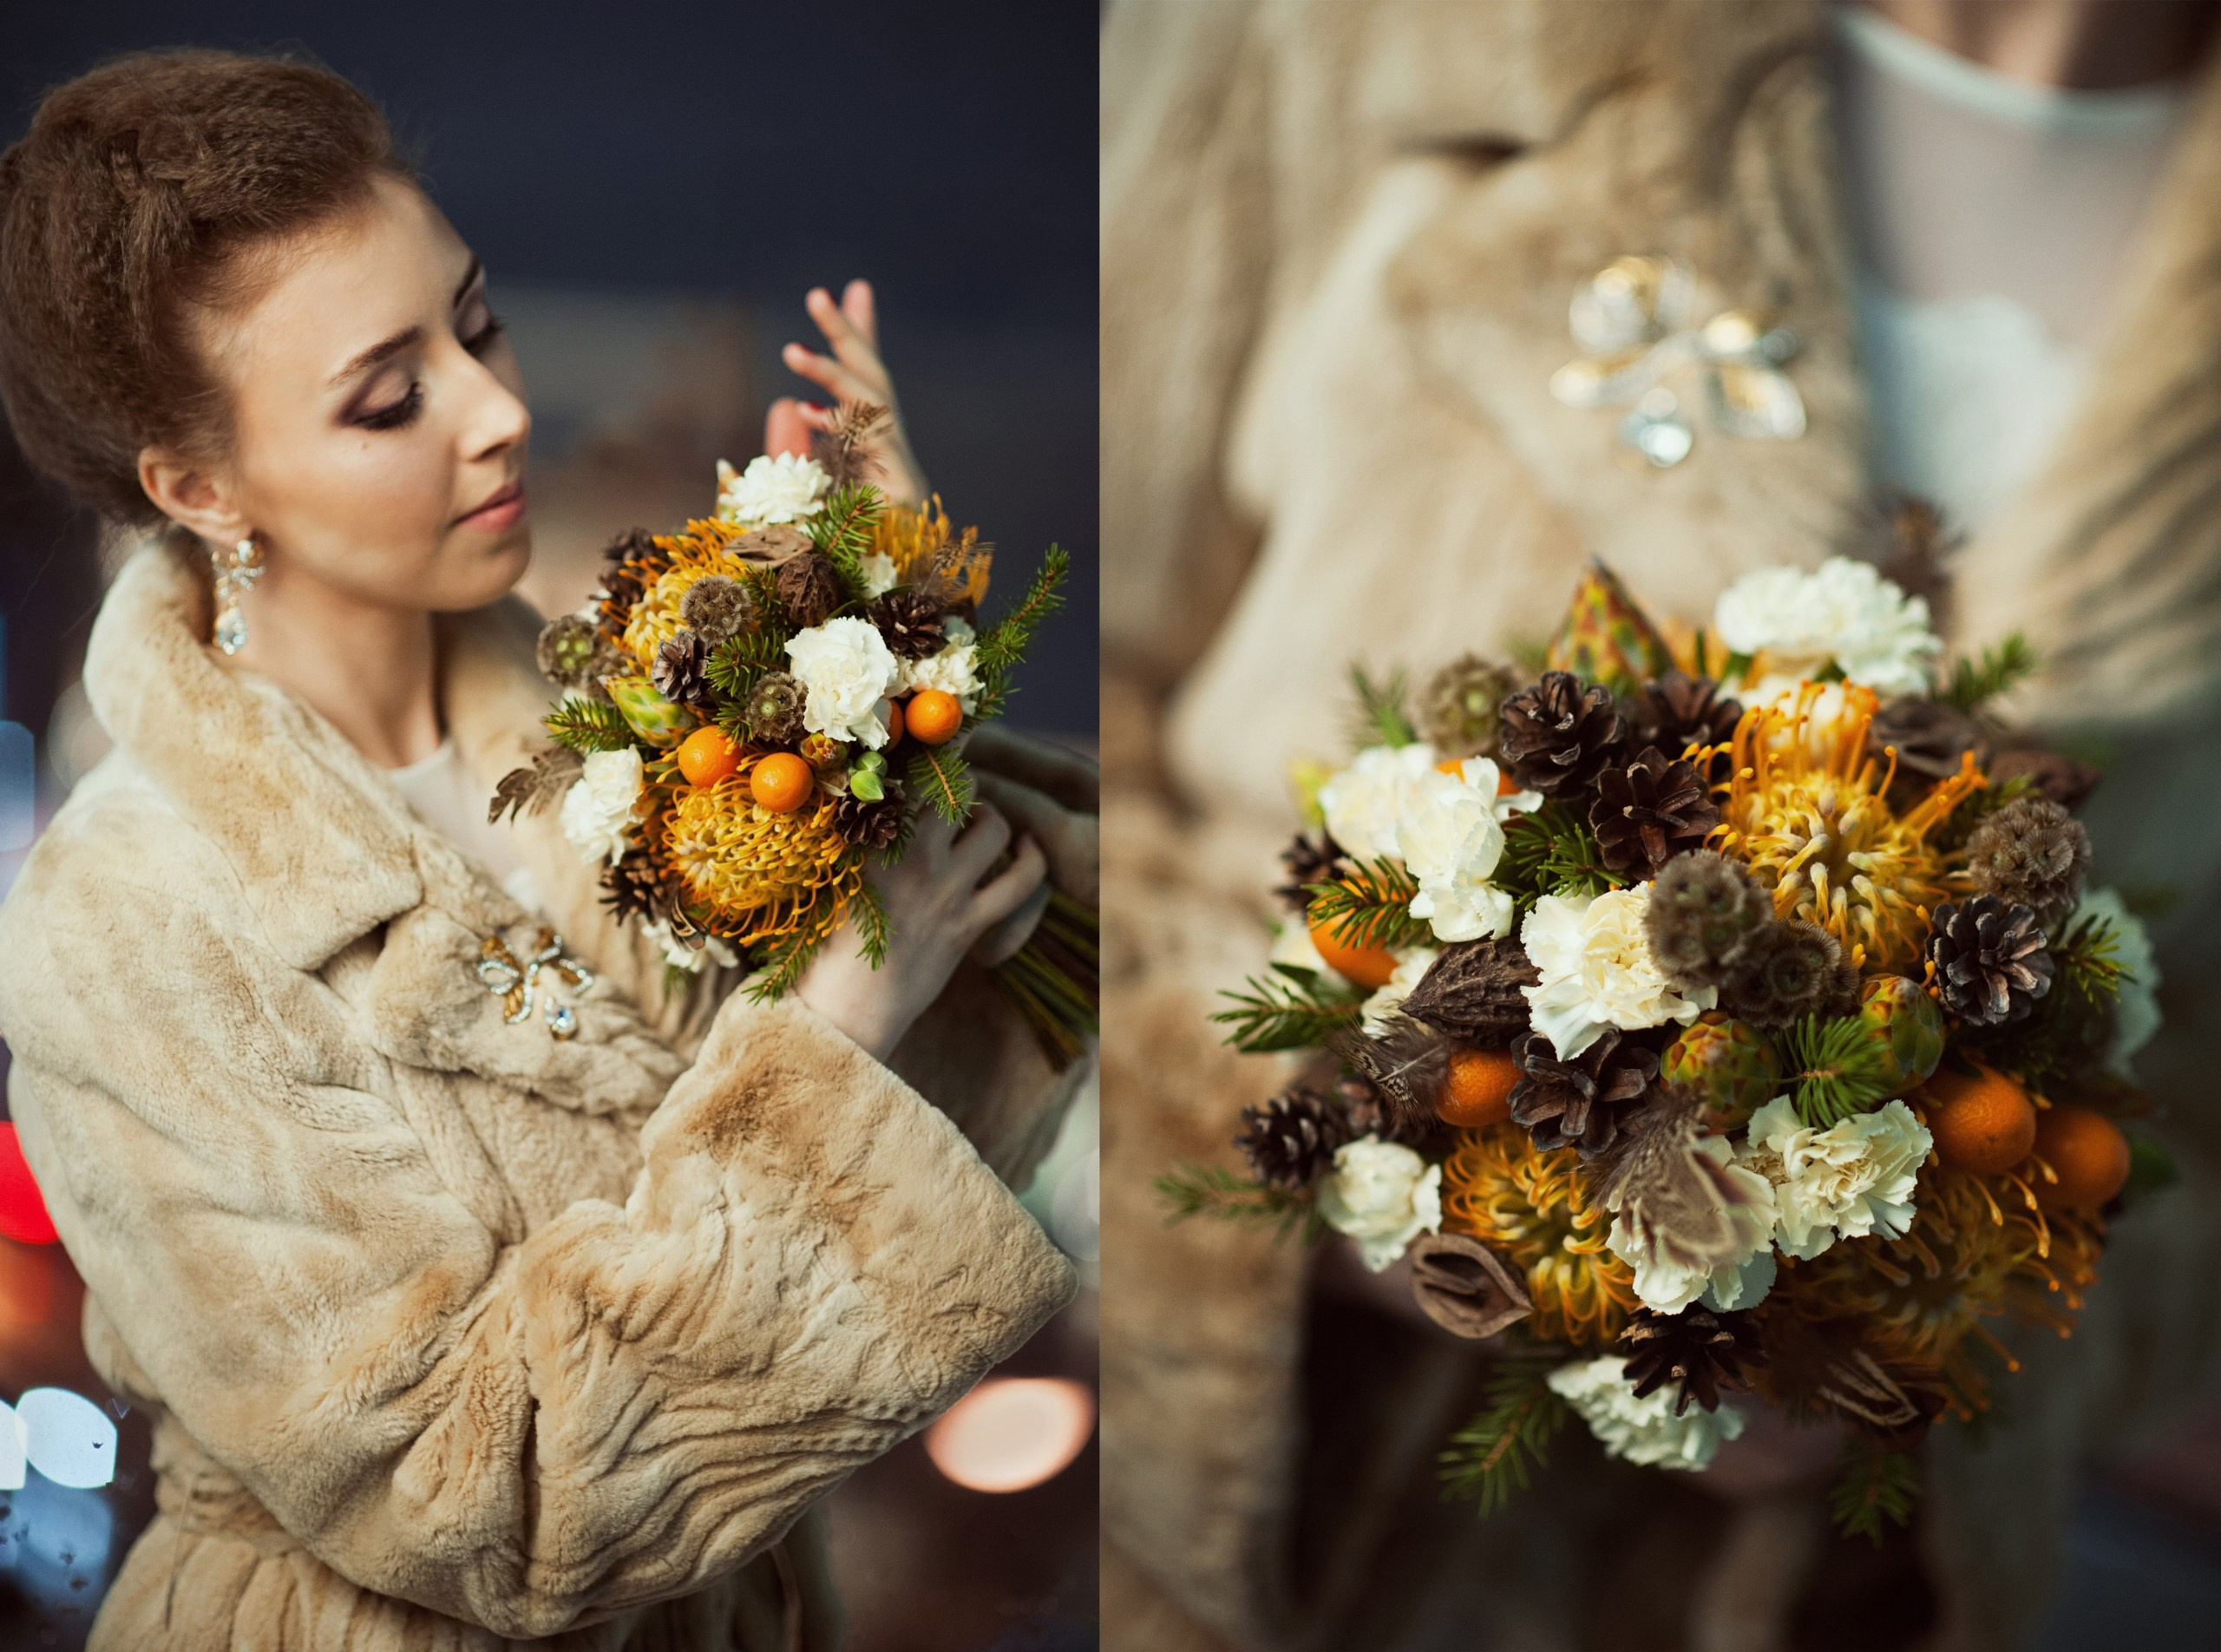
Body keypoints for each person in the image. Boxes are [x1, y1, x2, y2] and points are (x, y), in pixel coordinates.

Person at [1101, 2, 2221, 1648]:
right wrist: (1345, 1183)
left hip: (1821, 1594)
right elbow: (1063, 726)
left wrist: (1951, 1323)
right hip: (1238, 1515)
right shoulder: (1372, 47)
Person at [0, 48, 1097, 1651]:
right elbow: (482, 1500)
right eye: (391, 397)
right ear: (203, 487)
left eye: (478, 320)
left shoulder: (632, 708)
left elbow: (1009, 1028)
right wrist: (834, 1021)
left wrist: (872, 628)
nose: (502, 410)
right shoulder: (125, 923)